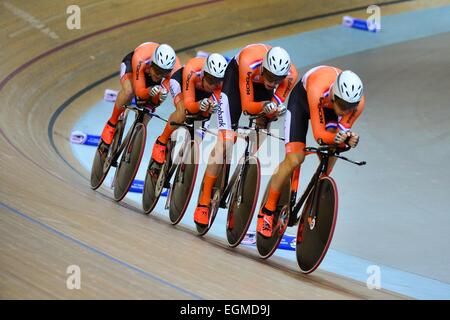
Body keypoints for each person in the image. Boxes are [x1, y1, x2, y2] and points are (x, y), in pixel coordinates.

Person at [193, 43, 298, 227]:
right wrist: (266, 106)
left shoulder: (290, 76)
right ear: (264, 68)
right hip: (237, 81)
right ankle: (204, 198)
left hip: (260, 90)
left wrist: (272, 109)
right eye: (271, 76)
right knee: (225, 141)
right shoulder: (249, 63)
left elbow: (273, 103)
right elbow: (248, 106)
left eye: (277, 79)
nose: (273, 82)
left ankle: (247, 166)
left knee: (264, 124)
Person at [257, 66, 365, 238]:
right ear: (334, 95)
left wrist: (348, 139)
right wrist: (341, 138)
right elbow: (320, 136)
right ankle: (267, 210)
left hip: (329, 111)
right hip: (303, 102)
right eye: (343, 105)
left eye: (349, 107)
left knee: (333, 152)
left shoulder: (357, 104)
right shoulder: (317, 87)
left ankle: (317, 192)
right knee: (294, 159)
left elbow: (341, 133)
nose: (346, 111)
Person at [99, 42, 181, 152]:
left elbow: (161, 95)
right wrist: (149, 91)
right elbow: (139, 92)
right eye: (157, 70)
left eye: (163, 73)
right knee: (129, 91)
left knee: (156, 100)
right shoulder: (141, 58)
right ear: (152, 63)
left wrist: (159, 95)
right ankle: (111, 124)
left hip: (154, 73)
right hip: (134, 68)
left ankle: (136, 141)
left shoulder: (175, 70)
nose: (158, 75)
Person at [150, 53, 229, 164]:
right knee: (182, 112)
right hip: (182, 84)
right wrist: (198, 105)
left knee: (198, 139)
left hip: (202, 94)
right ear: (203, 74)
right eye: (210, 80)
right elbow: (189, 105)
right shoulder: (192, 69)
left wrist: (209, 107)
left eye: (216, 82)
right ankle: (161, 142)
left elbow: (209, 110)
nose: (212, 85)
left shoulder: (222, 83)